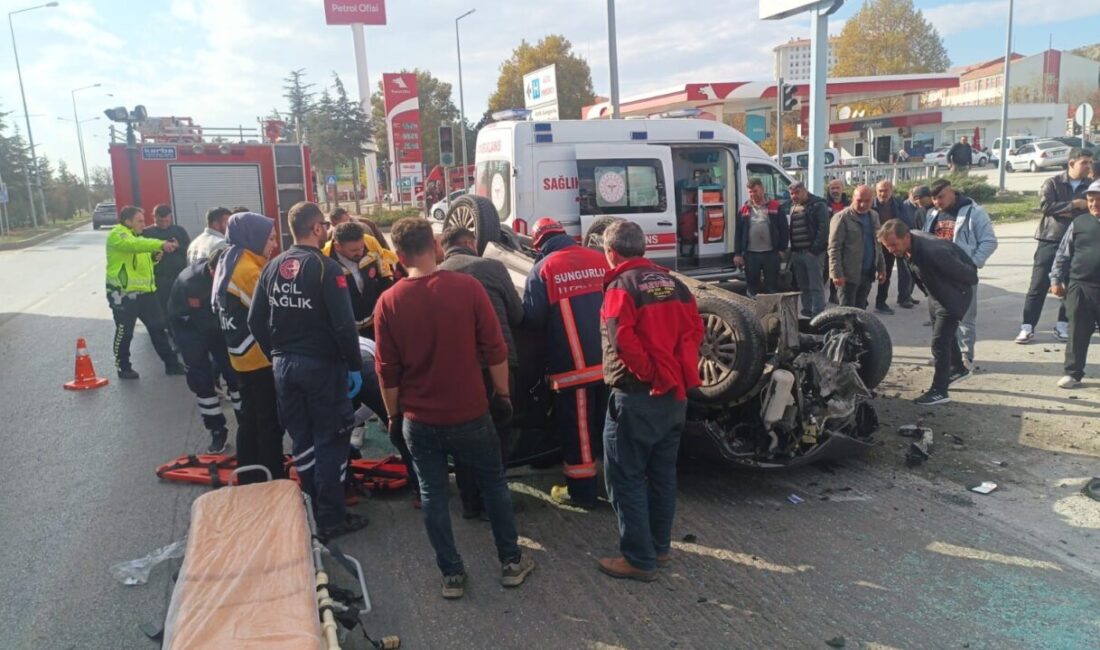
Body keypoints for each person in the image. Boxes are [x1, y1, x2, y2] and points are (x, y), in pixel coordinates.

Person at [374, 217, 534, 600]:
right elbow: (495, 349)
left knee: (432, 493)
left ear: (399, 256)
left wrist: (393, 416)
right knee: (494, 484)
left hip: (418, 420)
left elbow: (386, 370)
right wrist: (502, 395)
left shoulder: (388, 302)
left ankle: (451, 575)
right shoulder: (467, 288)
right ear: (436, 246)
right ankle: (511, 563)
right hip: (470, 413)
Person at [249, 201, 367, 539]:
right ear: (316, 228)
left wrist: (275, 354)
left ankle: (312, 509)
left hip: (284, 366)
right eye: (324, 226)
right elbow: (344, 326)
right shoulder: (326, 268)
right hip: (321, 366)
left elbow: (254, 320)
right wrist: (354, 366)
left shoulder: (272, 267)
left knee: (302, 439)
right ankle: (331, 516)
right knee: (331, 439)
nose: (326, 231)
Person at [597, 220, 704, 582]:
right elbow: (696, 329)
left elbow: (621, 340)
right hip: (675, 397)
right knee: (662, 475)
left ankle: (638, 559)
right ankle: (659, 548)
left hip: (637, 395)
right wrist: (675, 370)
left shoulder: (621, 285)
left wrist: (652, 373)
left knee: (624, 476)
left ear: (611, 252)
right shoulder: (675, 284)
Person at [523, 218, 611, 509]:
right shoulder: (599, 259)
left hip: (575, 371)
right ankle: (620, 488)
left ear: (538, 244)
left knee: (580, 434)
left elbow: (532, 319)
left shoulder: (543, 269)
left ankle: (582, 494)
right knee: (611, 428)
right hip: (613, 364)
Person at [439, 226, 525, 519]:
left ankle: (470, 502)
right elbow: (518, 315)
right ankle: (494, 503)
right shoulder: (492, 267)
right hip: (498, 364)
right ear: (469, 243)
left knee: (464, 434)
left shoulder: (435, 276)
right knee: (499, 432)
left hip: (458, 370)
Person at [212, 212, 285, 483]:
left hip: (239, 354)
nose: (274, 245)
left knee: (250, 418)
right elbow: (274, 312)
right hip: (258, 356)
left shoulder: (229, 258)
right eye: (270, 239)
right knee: (269, 422)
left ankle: (249, 474)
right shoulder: (248, 270)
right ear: (253, 237)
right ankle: (272, 477)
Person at [879, 219, 977, 405]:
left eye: (893, 245)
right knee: (946, 336)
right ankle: (958, 368)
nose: (891, 250)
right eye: (887, 246)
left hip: (952, 298)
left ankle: (939, 391)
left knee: (939, 343)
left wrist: (950, 290)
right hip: (935, 296)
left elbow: (970, 275)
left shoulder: (933, 252)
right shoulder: (908, 245)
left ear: (906, 237)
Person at [1016, 147, 1095, 344]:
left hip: (1078, 241)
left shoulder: (1090, 186)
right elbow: (1046, 207)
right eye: (1084, 163)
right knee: (1039, 285)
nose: (1088, 166)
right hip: (1051, 238)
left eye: (1090, 162)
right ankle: (1027, 326)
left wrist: (1069, 210)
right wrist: (1074, 205)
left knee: (1070, 285)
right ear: (1071, 163)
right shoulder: (1053, 182)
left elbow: (1092, 210)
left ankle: (1062, 325)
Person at [167, 249, 240, 453]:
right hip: (189, 327)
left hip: (216, 325)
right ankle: (216, 429)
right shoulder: (191, 283)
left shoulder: (231, 274)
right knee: (201, 378)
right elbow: (207, 322)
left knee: (235, 373)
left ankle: (246, 422)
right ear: (212, 270)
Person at [922, 179, 998, 368]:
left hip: (961, 275)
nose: (937, 202)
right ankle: (944, 355)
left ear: (952, 192)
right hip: (938, 275)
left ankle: (965, 356)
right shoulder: (932, 214)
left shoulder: (974, 212)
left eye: (941, 197)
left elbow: (989, 241)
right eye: (934, 199)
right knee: (939, 317)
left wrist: (971, 264)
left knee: (964, 317)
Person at [105, 206, 186, 379]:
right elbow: (133, 246)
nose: (144, 224)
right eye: (139, 221)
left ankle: (172, 365)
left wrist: (153, 258)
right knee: (125, 332)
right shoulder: (118, 234)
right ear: (128, 221)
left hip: (147, 293)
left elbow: (141, 260)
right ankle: (123, 367)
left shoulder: (138, 237)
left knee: (158, 328)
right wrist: (160, 244)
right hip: (123, 294)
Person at [1050, 180, 1100, 389]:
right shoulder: (1079, 223)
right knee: (1077, 332)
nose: (1094, 204)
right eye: (1090, 200)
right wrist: (1055, 279)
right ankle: (1072, 373)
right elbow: (1063, 253)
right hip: (1080, 286)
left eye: (1098, 200)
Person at [324, 221, 394, 334]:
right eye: (353, 250)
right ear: (337, 246)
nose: (360, 253)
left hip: (374, 318)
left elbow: (385, 275)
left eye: (361, 247)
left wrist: (381, 306)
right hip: (345, 326)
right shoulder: (324, 258)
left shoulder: (371, 243)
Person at [828, 185, 886, 309]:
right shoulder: (841, 218)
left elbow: (877, 244)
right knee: (847, 312)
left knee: (861, 310)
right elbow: (834, 248)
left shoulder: (874, 216)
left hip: (867, 273)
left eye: (867, 201)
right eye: (859, 201)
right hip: (848, 275)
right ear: (853, 199)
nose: (863, 205)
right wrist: (836, 274)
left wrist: (881, 268)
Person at [782, 181, 831, 317]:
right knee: (803, 285)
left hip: (813, 253)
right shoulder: (793, 206)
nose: (794, 196)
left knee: (816, 285)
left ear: (805, 191)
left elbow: (823, 229)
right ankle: (807, 311)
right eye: (791, 193)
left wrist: (814, 250)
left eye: (797, 193)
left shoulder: (818, 205)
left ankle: (818, 313)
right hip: (797, 252)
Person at [735, 178, 789, 297]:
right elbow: (738, 233)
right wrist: (738, 254)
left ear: (763, 190)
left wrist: (782, 249)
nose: (753, 194)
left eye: (755, 191)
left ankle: (770, 309)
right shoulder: (744, 209)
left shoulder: (775, 206)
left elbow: (784, 229)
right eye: (750, 192)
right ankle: (752, 307)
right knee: (752, 287)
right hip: (751, 255)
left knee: (771, 287)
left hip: (771, 254)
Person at [142, 204, 192, 320]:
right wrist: (154, 255)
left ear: (171, 217)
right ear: (154, 217)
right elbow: (140, 256)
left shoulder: (179, 231)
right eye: (161, 221)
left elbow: (190, 251)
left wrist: (178, 247)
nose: (164, 224)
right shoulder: (147, 233)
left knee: (180, 309)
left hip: (178, 278)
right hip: (158, 279)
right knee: (162, 310)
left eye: (167, 221)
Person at [871, 180, 913, 313]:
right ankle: (861, 302)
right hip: (873, 244)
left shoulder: (899, 205)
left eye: (886, 190)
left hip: (890, 244)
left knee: (886, 274)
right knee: (867, 273)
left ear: (891, 191)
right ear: (876, 191)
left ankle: (881, 302)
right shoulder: (870, 204)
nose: (883, 194)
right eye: (880, 191)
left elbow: (906, 222)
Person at [825, 179, 850, 304]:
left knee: (844, 268)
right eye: (832, 188)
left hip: (846, 241)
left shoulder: (849, 204)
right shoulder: (824, 204)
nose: (835, 191)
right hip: (829, 241)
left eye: (837, 188)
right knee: (830, 269)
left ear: (842, 189)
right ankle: (831, 294)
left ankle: (839, 294)